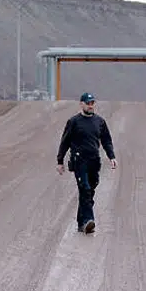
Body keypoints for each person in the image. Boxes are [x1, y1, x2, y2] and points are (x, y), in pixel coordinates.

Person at [56, 92, 116, 233]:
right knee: (85, 189)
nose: (90, 105)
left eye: (92, 103)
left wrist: (112, 157)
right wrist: (60, 161)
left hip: (94, 161)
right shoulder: (73, 122)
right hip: (79, 160)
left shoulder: (100, 122)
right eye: (87, 103)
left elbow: (106, 140)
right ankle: (89, 220)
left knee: (90, 190)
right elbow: (65, 142)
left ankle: (81, 221)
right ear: (81, 104)